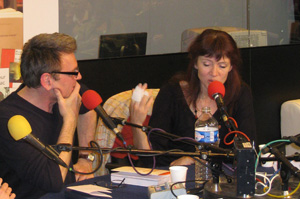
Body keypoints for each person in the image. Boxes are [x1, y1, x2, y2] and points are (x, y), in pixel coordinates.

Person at [133, 29, 256, 167]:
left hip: (223, 179)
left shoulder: (240, 94)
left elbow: (247, 150)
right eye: (206, 64)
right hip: (176, 178)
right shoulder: (172, 93)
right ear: (196, 63)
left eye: (222, 66)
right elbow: (151, 159)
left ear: (231, 67)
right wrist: (137, 124)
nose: (214, 73)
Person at [0, 33, 97, 199]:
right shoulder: (8, 120)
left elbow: (88, 110)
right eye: (73, 72)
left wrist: (85, 158)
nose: (79, 77)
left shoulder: (67, 92)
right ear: (47, 81)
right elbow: (53, 181)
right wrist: (69, 120)